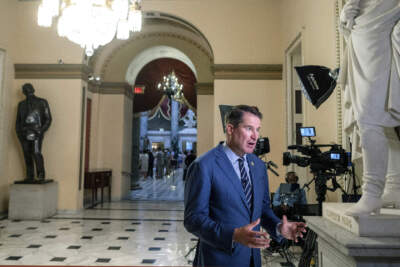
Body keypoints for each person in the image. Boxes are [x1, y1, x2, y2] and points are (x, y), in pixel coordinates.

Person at [184, 105, 306, 267]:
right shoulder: (204, 166)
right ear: (230, 129)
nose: (255, 136)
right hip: (217, 260)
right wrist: (233, 235)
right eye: (249, 128)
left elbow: (262, 210)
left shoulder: (259, 166)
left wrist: (278, 227)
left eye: (258, 129)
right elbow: (193, 219)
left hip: (252, 260)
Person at [339, 0, 400, 216]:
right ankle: (393, 186)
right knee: (380, 116)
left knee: (371, 118)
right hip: (364, 32)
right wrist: (348, 13)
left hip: (381, 25)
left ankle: (372, 192)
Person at [15, 83, 52, 182]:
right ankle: (29, 176)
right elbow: (18, 121)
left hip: (37, 132)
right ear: (24, 92)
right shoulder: (21, 104)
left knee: (36, 153)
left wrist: (41, 130)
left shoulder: (42, 102)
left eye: (27, 89)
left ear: (32, 90)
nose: (26, 91)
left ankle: (41, 175)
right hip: (24, 133)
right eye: (25, 90)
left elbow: (48, 119)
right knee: (27, 154)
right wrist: (19, 133)